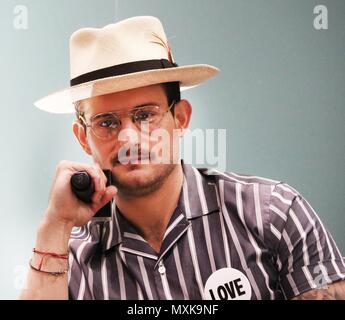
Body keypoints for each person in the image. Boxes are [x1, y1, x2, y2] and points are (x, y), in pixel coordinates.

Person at [20, 16, 345, 300]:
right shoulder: (69, 260)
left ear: (181, 119)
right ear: (82, 138)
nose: (129, 138)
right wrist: (55, 227)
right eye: (107, 122)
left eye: (145, 115)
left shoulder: (274, 213)